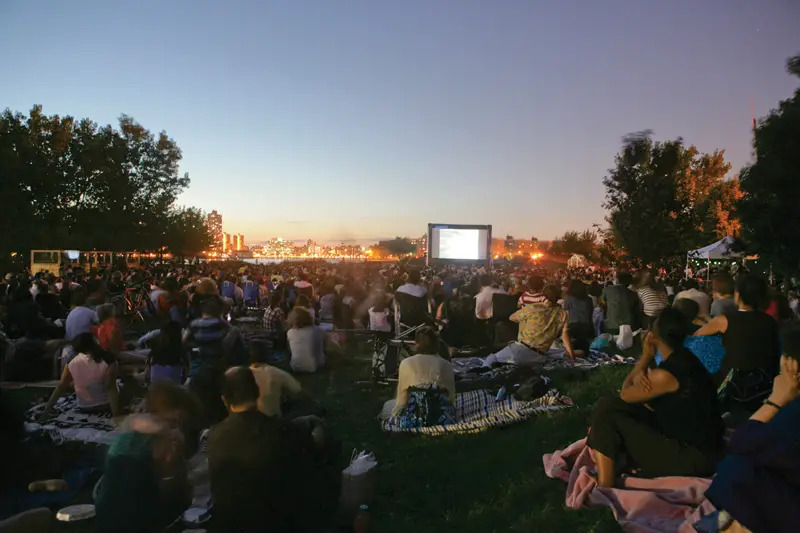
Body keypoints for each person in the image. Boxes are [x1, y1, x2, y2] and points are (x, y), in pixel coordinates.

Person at [587, 308, 724, 488]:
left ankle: (605, 487)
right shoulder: (685, 359)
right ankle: (619, 460)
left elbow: (625, 394)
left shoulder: (666, 375)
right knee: (608, 404)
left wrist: (645, 358)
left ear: (654, 335)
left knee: (607, 415)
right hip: (695, 442)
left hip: (692, 457)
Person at [703, 324, 800, 533]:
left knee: (737, 471)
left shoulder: (793, 414)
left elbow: (740, 444)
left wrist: (776, 400)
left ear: (790, 365)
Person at [208, 367, 314, 533]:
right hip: (274, 522)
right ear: (258, 393)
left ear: (224, 399)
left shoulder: (214, 435)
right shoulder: (281, 431)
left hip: (230, 523)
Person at [694, 274, 780, 384]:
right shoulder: (770, 321)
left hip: (733, 384)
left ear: (738, 295)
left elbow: (696, 337)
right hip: (764, 382)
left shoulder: (725, 320)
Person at [484, 285, 574, 366]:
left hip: (520, 351)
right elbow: (565, 335)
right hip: (540, 357)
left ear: (543, 295)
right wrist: (572, 355)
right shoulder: (564, 314)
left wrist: (526, 320)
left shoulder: (533, 308)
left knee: (492, 358)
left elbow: (512, 318)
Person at [39, 333, 121, 419]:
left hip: (84, 407)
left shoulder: (72, 361)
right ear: (95, 342)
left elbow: (61, 386)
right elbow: (110, 387)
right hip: (105, 405)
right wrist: (116, 415)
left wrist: (46, 411)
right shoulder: (109, 360)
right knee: (126, 383)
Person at [391, 327, 456, 416]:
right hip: (441, 418)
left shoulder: (405, 364)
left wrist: (395, 416)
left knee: (387, 406)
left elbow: (402, 400)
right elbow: (451, 399)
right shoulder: (446, 365)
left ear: (416, 344)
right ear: (436, 344)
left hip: (412, 417)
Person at [183, 295, 232, 377]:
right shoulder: (224, 326)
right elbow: (230, 347)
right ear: (220, 312)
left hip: (196, 371)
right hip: (217, 371)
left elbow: (184, 343)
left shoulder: (194, 324)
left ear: (203, 312)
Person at [249, 345, 303, 417]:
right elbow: (298, 392)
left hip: (245, 421)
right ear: (267, 355)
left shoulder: (240, 375)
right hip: (271, 421)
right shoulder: (275, 372)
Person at [287, 307, 325, 373]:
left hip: (295, 367)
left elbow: (290, 351)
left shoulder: (290, 332)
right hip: (315, 367)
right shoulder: (317, 330)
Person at [563, 279, 594, 354]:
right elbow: (590, 315)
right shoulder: (589, 299)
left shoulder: (568, 299)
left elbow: (566, 317)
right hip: (587, 329)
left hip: (573, 329)